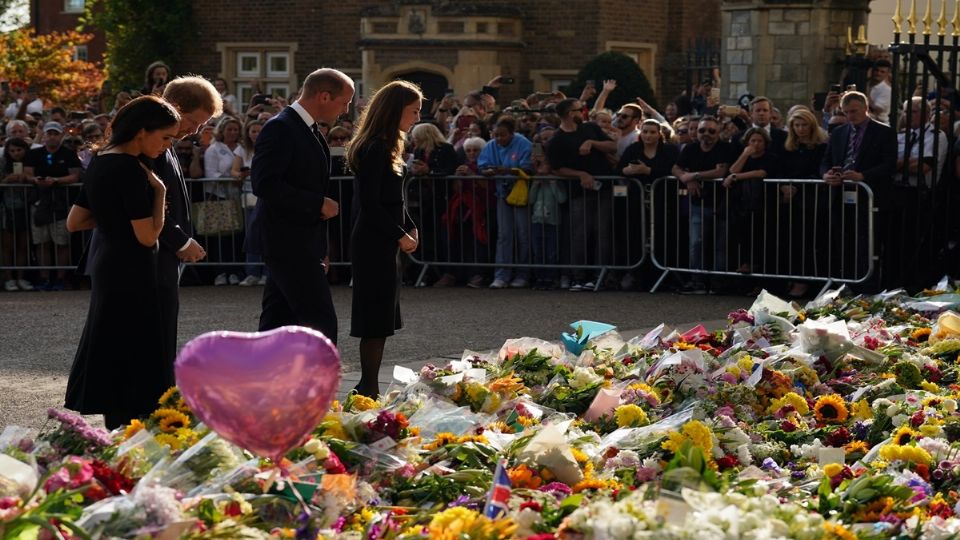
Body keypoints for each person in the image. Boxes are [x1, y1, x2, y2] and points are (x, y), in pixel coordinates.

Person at [63, 95, 181, 429]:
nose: (167, 145)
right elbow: (148, 236)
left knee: (112, 337)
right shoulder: (131, 168)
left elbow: (76, 220)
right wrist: (159, 192)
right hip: (132, 265)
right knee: (136, 339)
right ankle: (132, 421)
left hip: (108, 262)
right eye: (166, 137)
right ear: (143, 131)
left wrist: (114, 219)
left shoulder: (100, 160)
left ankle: (116, 418)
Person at [248, 68, 353, 343]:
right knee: (320, 322)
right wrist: (317, 203)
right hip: (286, 241)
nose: (346, 110)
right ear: (324, 96)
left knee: (277, 320)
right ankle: (318, 385)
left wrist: (321, 246)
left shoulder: (308, 129)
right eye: (344, 102)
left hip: (301, 240)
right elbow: (265, 184)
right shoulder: (281, 127)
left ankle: (263, 380)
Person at [346, 80, 421, 397]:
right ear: (395, 111)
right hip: (374, 241)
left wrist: (410, 225)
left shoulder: (390, 145)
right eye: (413, 111)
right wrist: (399, 233)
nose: (417, 118)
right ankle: (368, 387)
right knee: (374, 318)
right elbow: (372, 204)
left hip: (386, 239)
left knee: (381, 317)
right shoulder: (375, 147)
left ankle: (368, 384)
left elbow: (396, 199)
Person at [154, 76, 220, 368]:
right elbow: (149, 207)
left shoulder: (166, 145)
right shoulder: (152, 146)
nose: (195, 131)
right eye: (194, 122)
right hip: (153, 253)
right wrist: (180, 240)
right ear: (176, 108)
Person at [480, 115, 533, 289]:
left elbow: (528, 167)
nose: (499, 139)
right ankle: (501, 275)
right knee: (504, 236)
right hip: (502, 194)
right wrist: (487, 171)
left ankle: (523, 274)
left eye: (503, 135)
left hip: (521, 195)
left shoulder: (523, 143)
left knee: (523, 235)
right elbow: (483, 165)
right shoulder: (491, 145)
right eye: (495, 135)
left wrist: (509, 170)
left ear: (512, 133)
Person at [231, 119, 266, 286]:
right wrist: (241, 175)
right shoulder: (242, 149)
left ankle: (267, 273)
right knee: (251, 235)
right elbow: (234, 170)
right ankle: (252, 272)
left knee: (267, 235)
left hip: (266, 197)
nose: (256, 134)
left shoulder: (269, 146)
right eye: (253, 131)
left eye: (259, 130)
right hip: (248, 197)